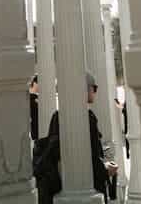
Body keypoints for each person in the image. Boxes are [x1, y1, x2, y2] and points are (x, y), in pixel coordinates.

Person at [34, 73, 117, 202]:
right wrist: (106, 170)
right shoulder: (88, 118)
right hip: (86, 183)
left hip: (63, 183)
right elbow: (92, 155)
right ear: (84, 89)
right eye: (94, 88)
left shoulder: (57, 116)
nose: (95, 92)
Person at [29, 75, 39, 141]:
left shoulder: (34, 98)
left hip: (35, 130)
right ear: (35, 84)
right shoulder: (32, 98)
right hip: (35, 130)